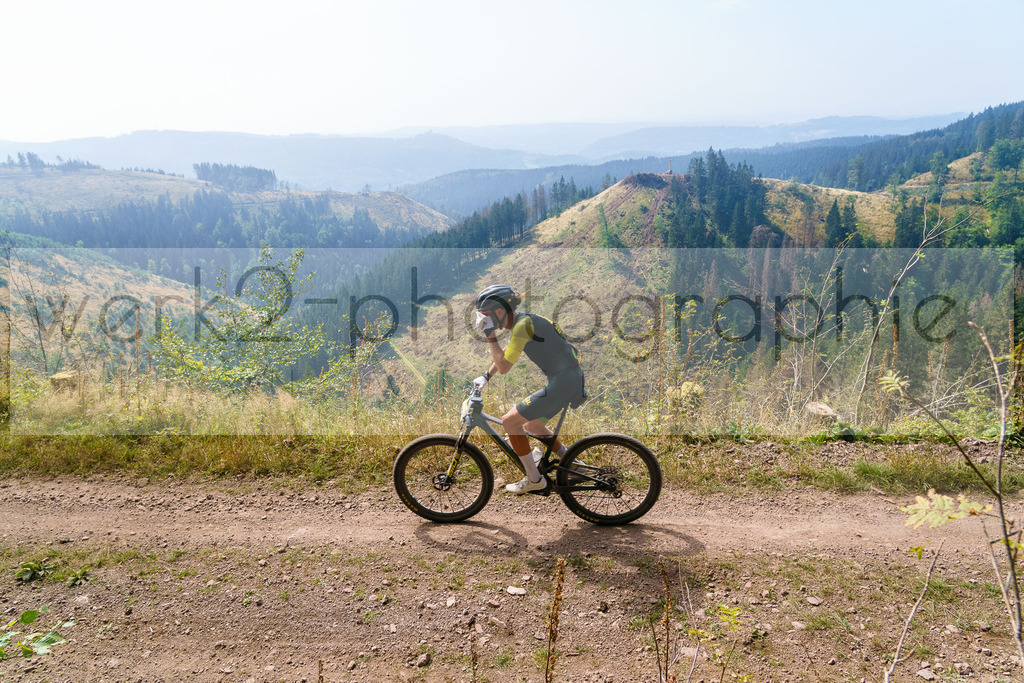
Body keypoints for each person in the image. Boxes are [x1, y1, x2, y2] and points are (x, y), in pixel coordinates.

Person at [472, 284, 585, 493]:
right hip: (570, 379)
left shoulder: (522, 325)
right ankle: (574, 464)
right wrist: (486, 376)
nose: (483, 321)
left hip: (563, 382)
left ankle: (534, 480)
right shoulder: (525, 321)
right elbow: (507, 352)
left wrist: (489, 334)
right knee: (533, 426)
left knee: (509, 422)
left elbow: (504, 366)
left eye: (486, 316)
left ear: (499, 311)